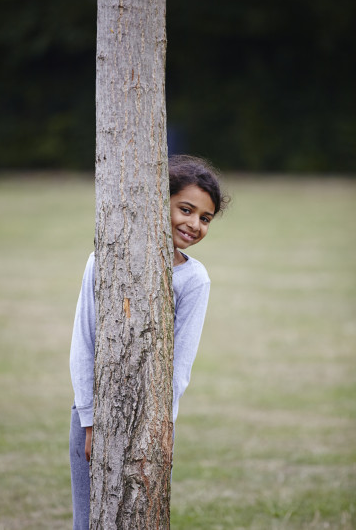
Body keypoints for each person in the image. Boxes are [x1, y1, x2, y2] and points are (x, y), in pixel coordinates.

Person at [69, 154, 228, 529]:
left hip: (152, 421)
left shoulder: (194, 280)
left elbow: (180, 365)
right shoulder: (104, 258)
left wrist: (163, 429)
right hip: (92, 412)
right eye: (186, 209)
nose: (194, 224)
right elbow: (84, 340)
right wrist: (91, 421)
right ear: (160, 201)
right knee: (88, 520)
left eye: (205, 218)